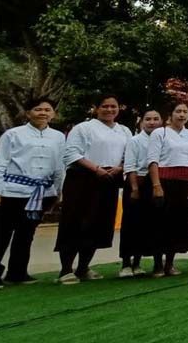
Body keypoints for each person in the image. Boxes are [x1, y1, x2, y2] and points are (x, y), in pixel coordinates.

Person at [56, 94, 132, 284]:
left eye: (113, 106)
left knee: (98, 224)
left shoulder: (124, 131)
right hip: (82, 179)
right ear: (96, 108)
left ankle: (83, 267)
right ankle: (66, 270)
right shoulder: (83, 128)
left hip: (110, 180)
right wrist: (95, 169)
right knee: (75, 222)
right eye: (104, 106)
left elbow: (131, 155)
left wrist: (119, 168)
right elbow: (72, 153)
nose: (109, 110)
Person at [0, 97, 66, 288]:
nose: (42, 113)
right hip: (13, 191)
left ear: (53, 113)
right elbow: (0, 162)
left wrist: (58, 190)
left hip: (42, 192)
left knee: (26, 233)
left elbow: (60, 165)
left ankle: (17, 272)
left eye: (47, 110)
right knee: (2, 233)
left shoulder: (59, 137)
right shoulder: (13, 134)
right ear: (28, 113)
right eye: (37, 109)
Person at [145, 102, 188, 277]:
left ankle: (170, 263)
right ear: (170, 114)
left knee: (178, 224)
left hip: (185, 183)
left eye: (185, 111)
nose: (182, 115)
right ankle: (157, 264)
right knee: (159, 223)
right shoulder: (160, 133)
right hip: (164, 181)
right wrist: (156, 185)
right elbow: (153, 160)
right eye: (178, 111)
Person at [119, 109, 163, 278]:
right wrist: (135, 188)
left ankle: (138, 263)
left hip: (155, 184)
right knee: (131, 224)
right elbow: (130, 165)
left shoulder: (163, 139)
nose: (152, 122)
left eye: (155, 119)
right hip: (137, 183)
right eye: (148, 119)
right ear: (141, 121)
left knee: (149, 225)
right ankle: (125, 263)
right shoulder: (135, 140)